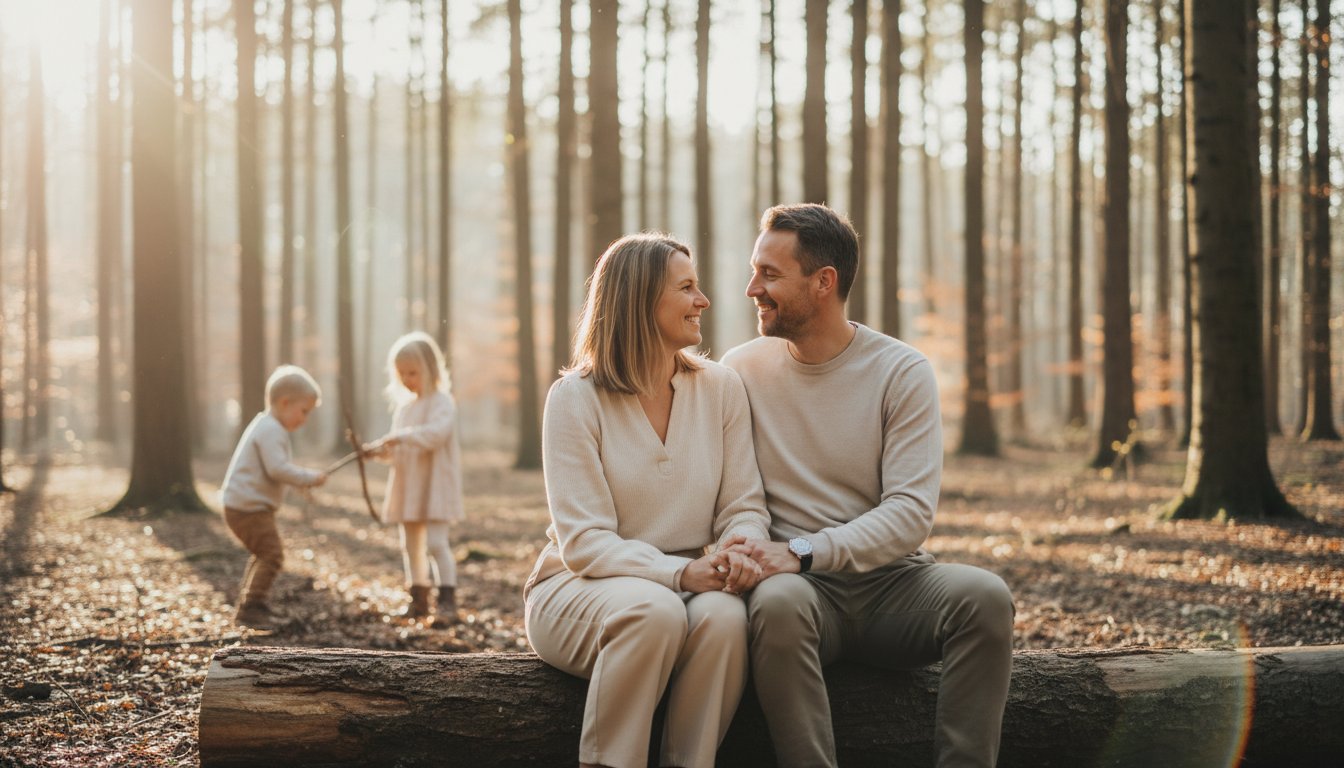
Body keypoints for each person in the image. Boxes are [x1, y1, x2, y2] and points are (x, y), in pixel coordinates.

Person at [721, 203, 1015, 768]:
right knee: (777, 604)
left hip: (891, 587)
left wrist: (803, 552)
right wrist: (758, 548)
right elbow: (737, 492)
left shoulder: (901, 371)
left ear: (823, 282)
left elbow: (909, 514)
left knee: (985, 597)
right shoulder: (740, 370)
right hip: (801, 596)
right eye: (756, 270)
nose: (752, 287)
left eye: (770, 274)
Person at [524, 233, 770, 768]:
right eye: (686, 287)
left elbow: (743, 505)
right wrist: (680, 576)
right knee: (653, 611)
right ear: (639, 300)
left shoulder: (721, 388)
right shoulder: (574, 399)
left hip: (686, 586)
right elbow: (585, 543)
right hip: (579, 589)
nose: (703, 300)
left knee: (727, 618)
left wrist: (738, 550)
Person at [365, 331, 465, 621]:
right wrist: (378, 452)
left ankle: (447, 599)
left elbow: (435, 435)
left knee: (436, 543)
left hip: (435, 485)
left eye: (413, 372)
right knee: (411, 546)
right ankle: (418, 599)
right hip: (409, 485)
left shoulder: (442, 402)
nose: (408, 379)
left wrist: (400, 437)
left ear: (431, 369)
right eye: (402, 374)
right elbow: (398, 451)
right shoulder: (405, 409)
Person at [220, 365, 328, 629]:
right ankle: (251, 608)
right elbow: (277, 469)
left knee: (263, 553)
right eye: (304, 411)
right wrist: (308, 477)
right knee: (272, 555)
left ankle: (251, 605)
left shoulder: (266, 426)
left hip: (244, 505)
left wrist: (299, 485)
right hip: (247, 507)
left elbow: (271, 473)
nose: (304, 419)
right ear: (284, 402)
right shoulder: (272, 429)